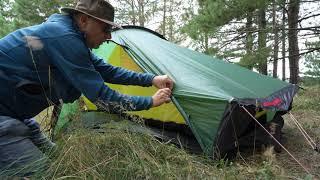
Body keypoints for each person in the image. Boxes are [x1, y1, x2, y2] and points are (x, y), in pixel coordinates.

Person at [0, 0, 173, 176]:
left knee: (60, 162)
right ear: (83, 20)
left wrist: (151, 79)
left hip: (18, 117)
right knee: (43, 173)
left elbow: (109, 72)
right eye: (105, 29)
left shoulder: (72, 38)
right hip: (4, 121)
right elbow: (103, 97)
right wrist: (150, 101)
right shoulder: (63, 38)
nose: (109, 36)